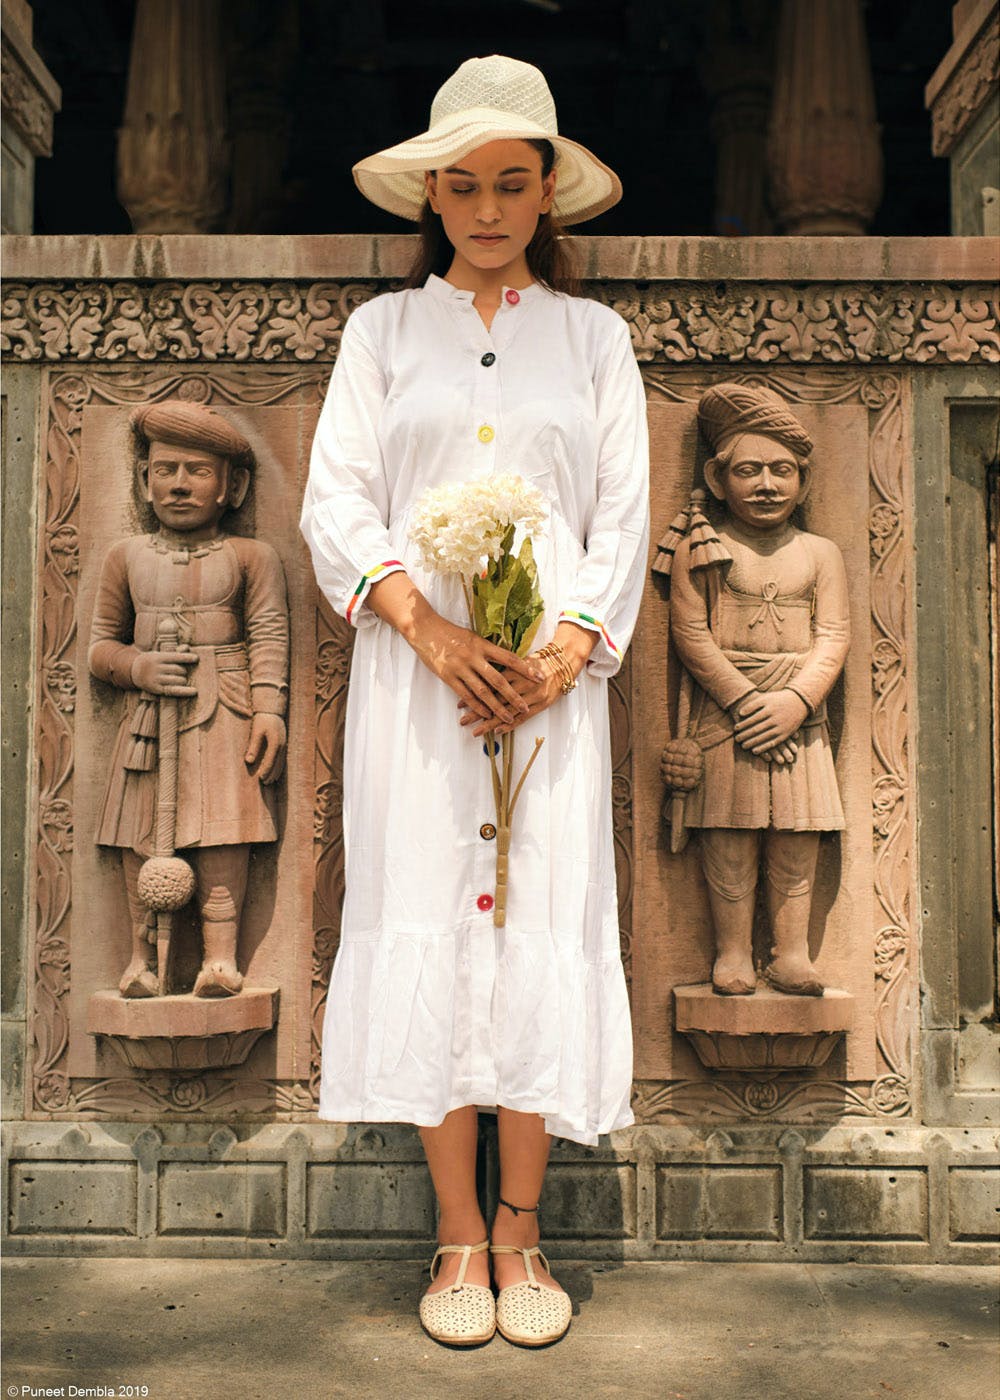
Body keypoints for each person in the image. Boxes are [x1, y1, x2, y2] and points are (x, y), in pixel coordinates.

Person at [300, 55, 649, 1348]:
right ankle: (455, 1236)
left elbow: (621, 514)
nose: (489, 208)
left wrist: (557, 658)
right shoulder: (383, 337)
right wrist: (432, 634)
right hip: (418, 689)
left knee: (538, 921)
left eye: (513, 183)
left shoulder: (593, 340)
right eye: (464, 186)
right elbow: (336, 502)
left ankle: (523, 1234)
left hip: (550, 697)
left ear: (546, 191)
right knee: (432, 919)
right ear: (432, 199)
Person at [89, 402, 289, 998]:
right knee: (141, 832)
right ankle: (142, 960)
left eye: (197, 471)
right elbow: (100, 647)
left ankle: (219, 960)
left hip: (223, 712)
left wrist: (269, 708)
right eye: (165, 469)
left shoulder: (252, 557)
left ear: (234, 486)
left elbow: (270, 633)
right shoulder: (125, 557)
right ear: (143, 481)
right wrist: (137, 666)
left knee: (224, 832)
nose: (179, 484)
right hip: (150, 718)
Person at [659, 383, 850, 997]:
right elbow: (691, 633)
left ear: (804, 482)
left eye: (782, 470)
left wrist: (794, 703)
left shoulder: (820, 554)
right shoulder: (702, 546)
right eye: (749, 470)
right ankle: (734, 951)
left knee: (797, 833)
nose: (767, 484)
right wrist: (745, 703)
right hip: (728, 717)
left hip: (799, 714)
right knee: (730, 833)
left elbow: (834, 635)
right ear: (717, 482)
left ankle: (791, 953)